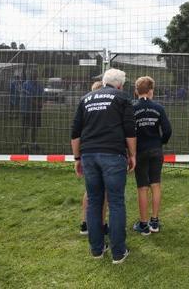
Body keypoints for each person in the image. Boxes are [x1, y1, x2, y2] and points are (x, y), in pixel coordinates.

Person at [71, 68, 136, 264]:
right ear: (120, 85)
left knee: (94, 201)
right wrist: (132, 155)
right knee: (116, 202)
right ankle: (118, 252)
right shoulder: (122, 98)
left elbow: (75, 132)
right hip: (113, 155)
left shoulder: (86, 99)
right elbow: (130, 130)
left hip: (89, 155)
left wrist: (76, 158)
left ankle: (97, 250)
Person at [131, 76, 172, 235]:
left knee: (142, 187)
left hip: (139, 151)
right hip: (156, 150)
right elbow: (167, 130)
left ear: (136, 91)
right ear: (151, 91)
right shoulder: (158, 108)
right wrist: (160, 142)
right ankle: (155, 221)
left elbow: (129, 131)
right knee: (155, 184)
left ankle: (143, 224)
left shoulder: (132, 109)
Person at [79, 81, 108, 235]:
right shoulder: (102, 110)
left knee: (90, 191)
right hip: (101, 153)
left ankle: (85, 223)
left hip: (87, 152)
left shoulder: (85, 107)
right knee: (102, 192)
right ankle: (101, 224)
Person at [20, 69, 44, 151]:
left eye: (35, 74)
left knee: (35, 127)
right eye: (33, 74)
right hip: (26, 109)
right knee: (25, 127)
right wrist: (38, 103)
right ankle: (23, 144)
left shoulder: (39, 85)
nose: (34, 75)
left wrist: (41, 104)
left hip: (36, 110)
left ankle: (33, 143)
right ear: (30, 75)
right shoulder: (25, 84)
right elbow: (28, 97)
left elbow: (41, 96)